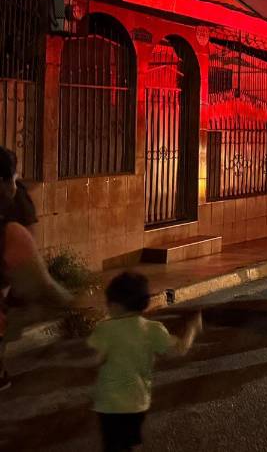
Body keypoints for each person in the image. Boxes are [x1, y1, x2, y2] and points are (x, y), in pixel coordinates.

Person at [88, 271, 201, 452]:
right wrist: (192, 329)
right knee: (131, 443)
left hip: (107, 403)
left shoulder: (105, 328)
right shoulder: (152, 330)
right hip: (136, 402)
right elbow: (179, 350)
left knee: (111, 445)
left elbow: (95, 358)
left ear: (116, 304)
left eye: (109, 303)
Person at [0, 146, 73, 392]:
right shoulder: (10, 233)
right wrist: (71, 302)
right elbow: (42, 284)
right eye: (13, 177)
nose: (16, 182)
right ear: (3, 182)